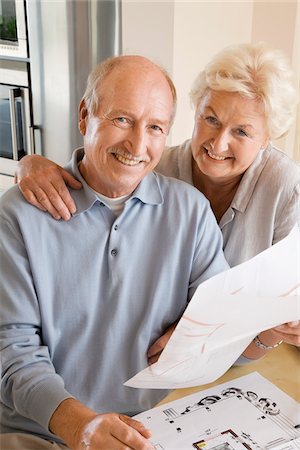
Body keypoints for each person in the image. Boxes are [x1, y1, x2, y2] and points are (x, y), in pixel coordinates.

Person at [0, 55, 230, 450]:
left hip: (156, 429)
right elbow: (11, 352)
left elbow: (222, 313)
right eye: (122, 119)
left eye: (155, 127)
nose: (137, 145)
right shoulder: (17, 216)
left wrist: (195, 336)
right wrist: (79, 426)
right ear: (85, 115)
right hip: (39, 430)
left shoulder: (190, 212)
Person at [16, 42, 300, 358]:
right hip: (157, 358)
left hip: (240, 356)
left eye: (242, 132)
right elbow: (96, 164)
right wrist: (29, 163)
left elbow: (278, 304)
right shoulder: (153, 167)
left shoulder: (285, 187)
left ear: (266, 139)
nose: (218, 143)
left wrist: (263, 332)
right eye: (211, 119)